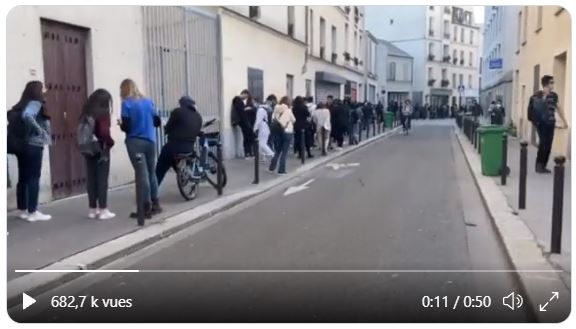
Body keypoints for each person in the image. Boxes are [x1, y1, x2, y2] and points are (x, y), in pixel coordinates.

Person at [119, 79, 161, 218]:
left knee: (141, 175)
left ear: (124, 90)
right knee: (151, 173)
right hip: (150, 141)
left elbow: (127, 127)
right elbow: (157, 122)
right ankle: (156, 204)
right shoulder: (149, 102)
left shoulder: (126, 103)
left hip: (135, 142)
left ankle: (145, 208)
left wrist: (120, 124)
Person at [12, 81, 52, 221]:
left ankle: (22, 209)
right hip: (33, 145)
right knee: (34, 177)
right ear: (37, 91)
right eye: (42, 88)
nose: (44, 91)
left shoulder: (21, 104)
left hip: (22, 146)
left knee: (23, 177)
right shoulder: (35, 103)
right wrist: (40, 130)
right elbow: (28, 116)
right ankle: (33, 212)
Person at [80, 89, 116, 220]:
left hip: (88, 148)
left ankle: (92, 209)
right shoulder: (103, 113)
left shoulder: (86, 111)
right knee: (102, 179)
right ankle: (103, 209)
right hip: (101, 148)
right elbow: (104, 133)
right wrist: (110, 142)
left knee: (91, 178)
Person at [155, 96, 203, 188]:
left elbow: (168, 128)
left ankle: (152, 192)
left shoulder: (178, 112)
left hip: (173, 147)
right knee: (175, 159)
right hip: (189, 149)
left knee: (161, 166)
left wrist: (167, 128)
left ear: (182, 103)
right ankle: (183, 176)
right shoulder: (198, 117)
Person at [527, 75, 568, 173]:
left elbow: (559, 108)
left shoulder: (554, 95)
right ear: (547, 84)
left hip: (551, 123)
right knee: (543, 143)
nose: (553, 84)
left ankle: (543, 165)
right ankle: (539, 165)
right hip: (541, 123)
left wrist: (565, 121)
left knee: (548, 144)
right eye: (552, 82)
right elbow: (533, 110)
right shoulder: (536, 96)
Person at [269, 96, 296, 175]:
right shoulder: (288, 110)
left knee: (277, 150)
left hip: (279, 131)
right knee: (285, 152)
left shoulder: (276, 109)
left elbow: (274, 118)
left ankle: (272, 167)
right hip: (287, 131)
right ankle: (281, 169)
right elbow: (294, 120)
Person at [239, 89, 256, 158]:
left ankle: (251, 152)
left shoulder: (251, 101)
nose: (244, 95)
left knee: (251, 138)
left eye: (245, 94)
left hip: (251, 122)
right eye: (243, 94)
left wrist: (250, 108)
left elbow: (255, 110)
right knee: (246, 138)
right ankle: (247, 153)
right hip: (244, 123)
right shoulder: (240, 101)